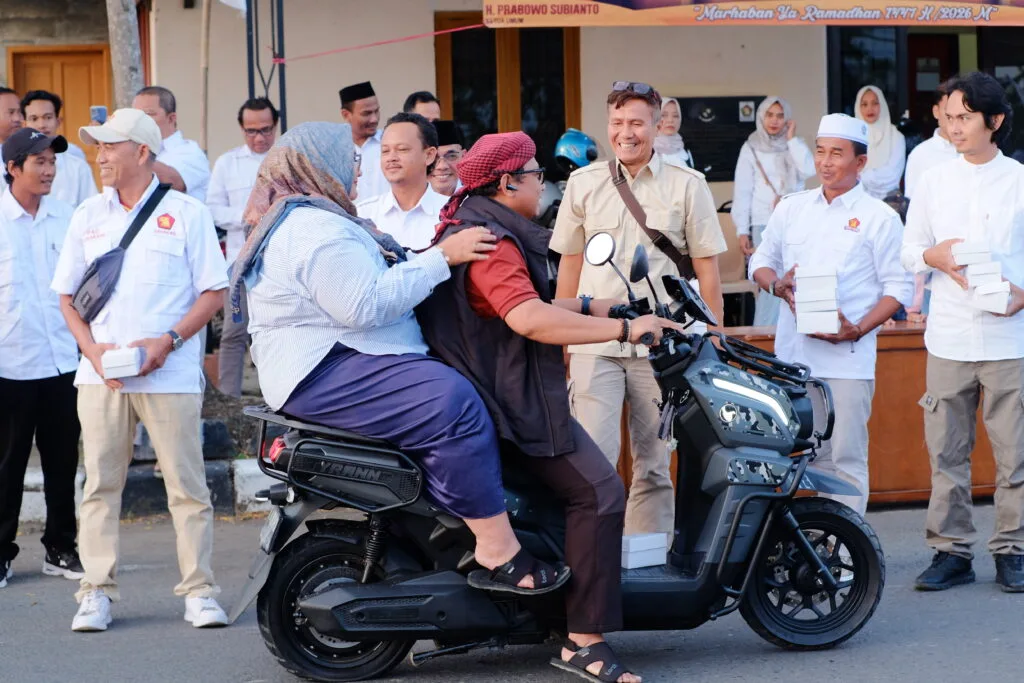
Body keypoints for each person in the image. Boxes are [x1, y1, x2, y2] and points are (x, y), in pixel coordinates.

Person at [237, 121, 573, 606]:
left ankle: (455, 520)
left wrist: (435, 259)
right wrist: (441, 258)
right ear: (317, 166)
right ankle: (497, 549)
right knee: (452, 404)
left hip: (329, 361)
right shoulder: (313, 228)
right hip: (324, 368)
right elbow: (363, 305)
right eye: (350, 160)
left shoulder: (315, 217)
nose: (358, 169)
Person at [418, 132, 677, 683]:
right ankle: (585, 642)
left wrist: (590, 304)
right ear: (507, 183)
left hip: (491, 389)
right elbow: (528, 319)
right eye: (535, 173)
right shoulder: (492, 242)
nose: (543, 182)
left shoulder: (474, 224)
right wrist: (624, 329)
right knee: (600, 492)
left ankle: (559, 609)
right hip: (507, 400)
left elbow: (519, 303)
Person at [51, 108, 230, 631]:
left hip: (168, 375)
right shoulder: (87, 214)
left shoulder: (188, 213)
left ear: (143, 152)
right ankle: (95, 591)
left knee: (187, 487)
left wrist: (168, 342)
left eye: (110, 146)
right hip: (100, 377)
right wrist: (91, 351)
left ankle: (199, 591)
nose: (100, 156)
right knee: (100, 486)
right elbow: (66, 297)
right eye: (99, 147)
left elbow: (214, 291)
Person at [552, 81, 726, 537]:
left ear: (657, 124)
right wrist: (563, 339)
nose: (625, 133)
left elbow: (708, 272)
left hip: (662, 348)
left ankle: (648, 562)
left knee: (654, 465)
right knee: (592, 462)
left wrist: (714, 340)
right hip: (596, 344)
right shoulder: (583, 183)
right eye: (617, 122)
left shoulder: (688, 185)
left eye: (636, 123)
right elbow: (570, 264)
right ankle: (596, 560)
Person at [749, 114, 913, 515]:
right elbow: (760, 262)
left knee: (846, 459)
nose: (825, 162)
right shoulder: (792, 208)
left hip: (847, 364)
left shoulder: (879, 217)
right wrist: (777, 285)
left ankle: (847, 545)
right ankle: (814, 541)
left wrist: (857, 330)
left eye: (836, 153)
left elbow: (899, 288)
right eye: (820, 151)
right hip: (794, 360)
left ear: (860, 162)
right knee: (803, 458)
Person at [900, 72, 1024, 593]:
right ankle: (950, 552)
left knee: (1016, 454)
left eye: (965, 117)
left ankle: (1013, 550)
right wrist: (934, 256)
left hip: (1009, 338)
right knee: (946, 453)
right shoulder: (933, 180)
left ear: (994, 120)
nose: (954, 127)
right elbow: (909, 251)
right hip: (949, 336)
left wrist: (1023, 293)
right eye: (949, 117)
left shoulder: (1019, 180)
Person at [0, 128, 83, 589]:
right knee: (7, 465)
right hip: (9, 364)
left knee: (62, 462)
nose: (49, 170)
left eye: (52, 162)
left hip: (62, 362)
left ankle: (61, 547)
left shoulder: (67, 218)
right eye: (40, 162)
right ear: (13, 168)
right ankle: (1, 553)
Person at [207, 97, 278, 397]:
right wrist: (246, 216)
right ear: (242, 129)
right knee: (234, 333)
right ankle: (229, 399)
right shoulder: (227, 163)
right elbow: (212, 209)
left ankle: (277, 395)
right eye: (251, 131)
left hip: (279, 261)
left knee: (277, 331)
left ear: (276, 126)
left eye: (265, 130)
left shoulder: (288, 158)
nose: (259, 137)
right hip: (240, 262)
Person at [731, 96, 816, 326]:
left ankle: (796, 332)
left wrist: (791, 140)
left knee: (796, 280)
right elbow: (743, 191)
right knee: (770, 283)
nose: (774, 121)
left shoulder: (794, 145)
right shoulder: (751, 147)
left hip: (796, 223)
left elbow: (809, 170)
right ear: (761, 116)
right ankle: (765, 335)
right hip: (764, 222)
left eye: (780, 115)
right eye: (769, 115)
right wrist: (742, 230)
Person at [903, 79, 959, 323]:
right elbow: (914, 214)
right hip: (934, 266)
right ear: (936, 111)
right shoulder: (921, 155)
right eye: (949, 112)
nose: (956, 121)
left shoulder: (978, 152)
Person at [355, 113, 448, 251]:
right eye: (385, 151)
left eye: (402, 149)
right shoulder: (362, 215)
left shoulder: (453, 213)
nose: (391, 158)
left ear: (429, 155)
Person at [20, 90, 98, 207]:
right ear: (24, 124)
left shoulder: (78, 168)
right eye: (34, 119)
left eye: (48, 117)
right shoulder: (13, 167)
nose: (42, 125)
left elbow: (91, 210)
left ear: (58, 122)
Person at [132, 86, 211, 202]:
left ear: (171, 118)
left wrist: (130, 152)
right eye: (135, 115)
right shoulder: (135, 149)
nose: (139, 121)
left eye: (148, 114)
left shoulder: (191, 152)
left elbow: (170, 181)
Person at [854, 86, 906, 200]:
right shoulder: (852, 138)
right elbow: (847, 173)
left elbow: (892, 176)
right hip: (857, 202)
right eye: (864, 104)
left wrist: (862, 177)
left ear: (882, 105)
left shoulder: (896, 137)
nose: (870, 108)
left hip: (887, 203)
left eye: (875, 103)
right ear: (858, 107)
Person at [340, 81, 387, 200]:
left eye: (376, 111)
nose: (374, 119)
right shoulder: (336, 150)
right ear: (346, 115)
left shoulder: (389, 142)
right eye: (366, 113)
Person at [653, 97, 694, 169]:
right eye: (663, 115)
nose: (670, 120)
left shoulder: (685, 150)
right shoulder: (646, 151)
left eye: (675, 116)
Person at [430, 120, 464, 197]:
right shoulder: (408, 199)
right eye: (433, 157)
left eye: (451, 156)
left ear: (464, 156)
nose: (442, 166)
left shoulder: (478, 199)